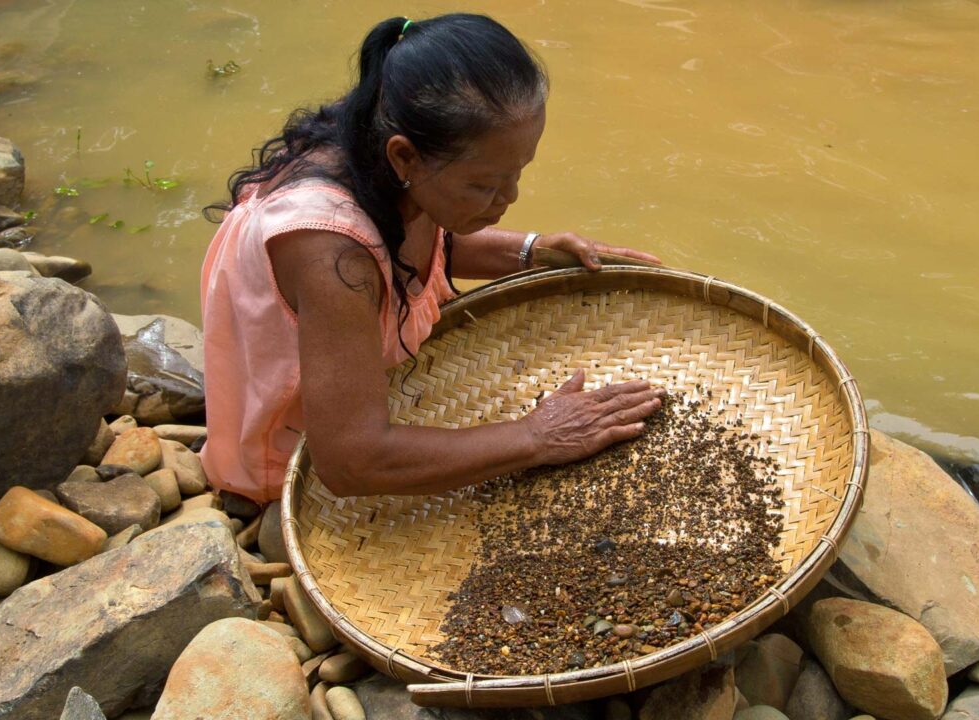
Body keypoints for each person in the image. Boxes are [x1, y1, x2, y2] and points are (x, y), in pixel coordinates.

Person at [200, 14, 665, 504]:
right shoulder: (331, 254)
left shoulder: (389, 135)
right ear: (404, 158)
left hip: (356, 390)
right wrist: (538, 436)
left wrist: (530, 250)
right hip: (296, 456)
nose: (509, 196)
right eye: (484, 185)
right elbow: (350, 461)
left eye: (518, 172)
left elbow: (417, 242)